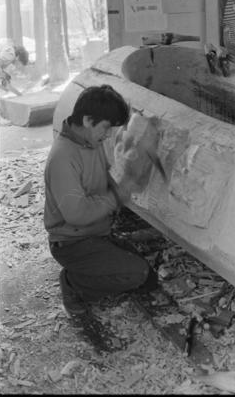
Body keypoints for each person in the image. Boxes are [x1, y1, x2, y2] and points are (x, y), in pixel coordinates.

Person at [44, 84, 158, 317]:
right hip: (71, 241)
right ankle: (73, 284)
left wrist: (125, 180)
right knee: (137, 274)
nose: (108, 135)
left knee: (150, 278)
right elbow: (77, 215)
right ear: (88, 120)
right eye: (106, 128)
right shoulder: (62, 158)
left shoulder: (88, 141)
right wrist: (119, 195)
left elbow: (104, 175)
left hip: (96, 232)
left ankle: (92, 264)